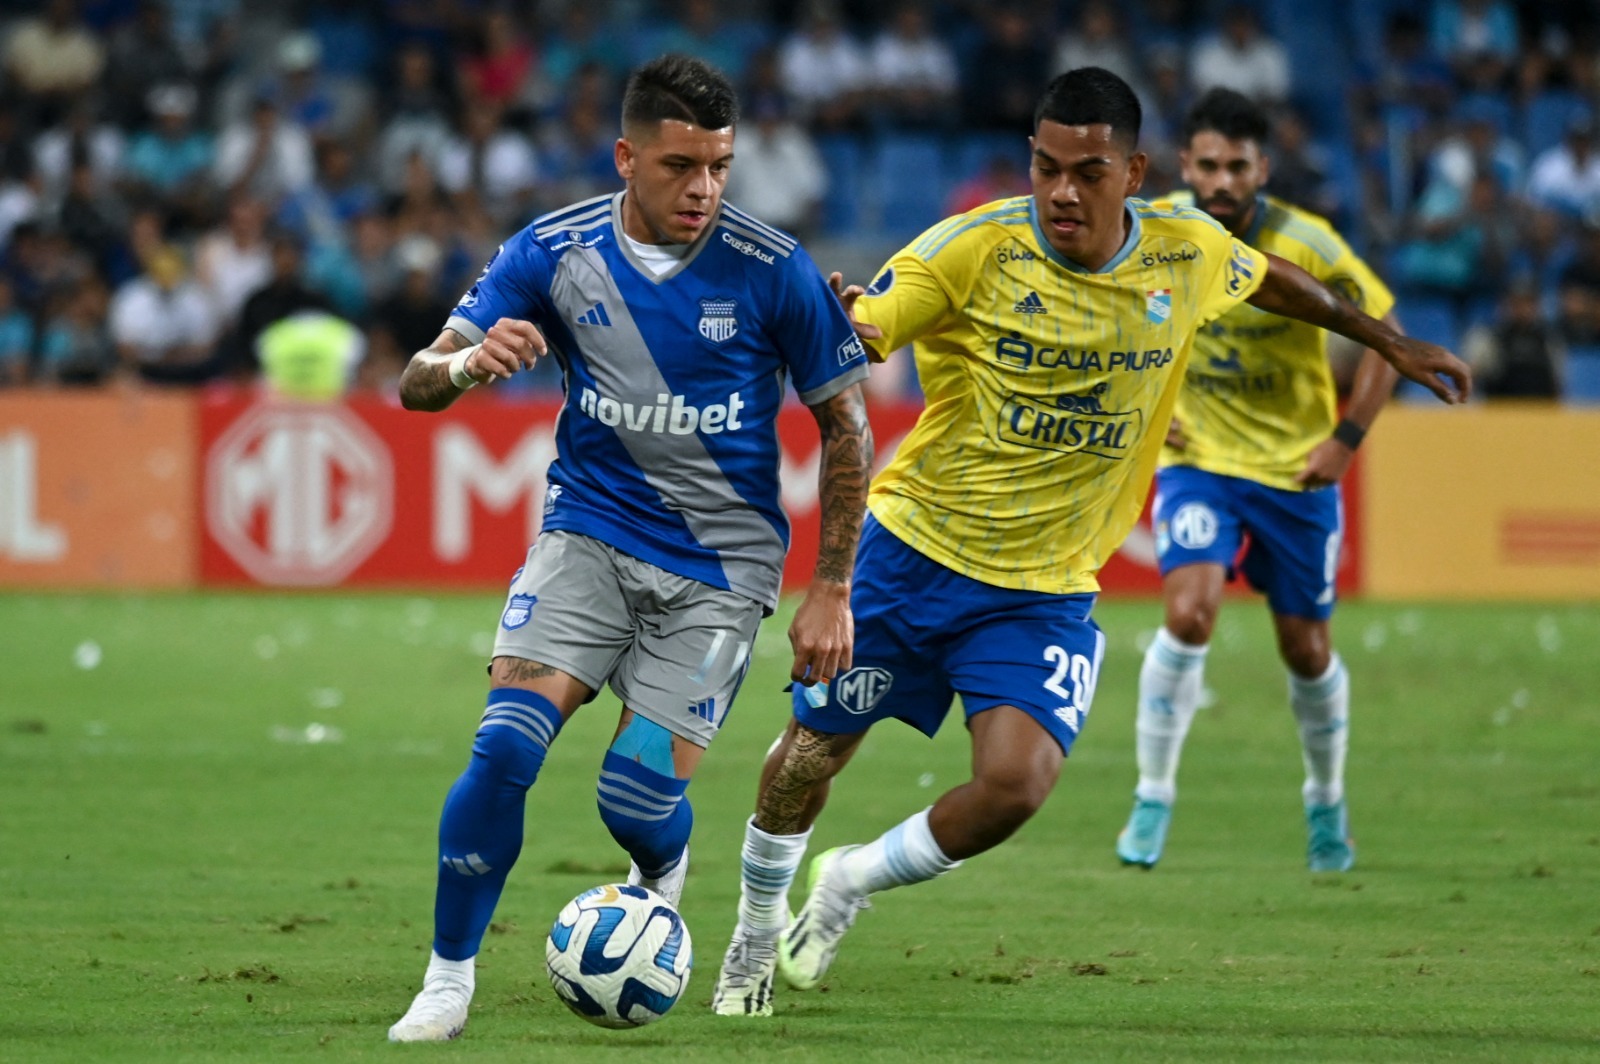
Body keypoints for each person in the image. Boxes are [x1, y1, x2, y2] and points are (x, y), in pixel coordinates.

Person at [709, 66, 1469, 1016]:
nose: (1063, 191)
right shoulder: (972, 248)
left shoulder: (1186, 251)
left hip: (1044, 585)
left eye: (1089, 172)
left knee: (1017, 786)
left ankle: (850, 882)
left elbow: (1273, 280)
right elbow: (863, 329)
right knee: (812, 756)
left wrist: (1384, 342)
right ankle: (749, 931)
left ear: (1136, 173)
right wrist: (843, 320)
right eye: (1046, 167)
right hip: (915, 553)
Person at [386, 54, 872, 1042]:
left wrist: (831, 585)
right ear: (626, 157)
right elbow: (415, 381)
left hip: (721, 576)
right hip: (588, 535)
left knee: (635, 793)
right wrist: (469, 363)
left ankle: (659, 869)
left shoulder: (771, 266)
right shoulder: (551, 250)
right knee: (505, 744)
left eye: (719, 166)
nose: (702, 187)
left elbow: (849, 428)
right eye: (679, 164)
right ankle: (446, 977)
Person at [1113, 87, 1407, 875]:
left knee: (1306, 650)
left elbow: (1388, 336)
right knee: (1190, 612)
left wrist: (1346, 440)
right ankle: (1153, 794)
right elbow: (1100, 323)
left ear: (1262, 169)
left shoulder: (1308, 243)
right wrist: (1141, 405)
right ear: (1186, 166)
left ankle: (1324, 799)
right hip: (1200, 464)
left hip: (1294, 472)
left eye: (1237, 167)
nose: (1222, 182)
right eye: (1208, 165)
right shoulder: (1155, 231)